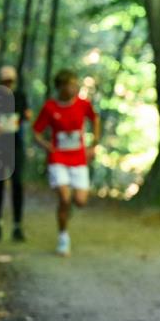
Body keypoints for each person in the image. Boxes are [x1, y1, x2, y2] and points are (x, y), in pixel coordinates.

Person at [32, 69, 100, 257]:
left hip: (78, 157)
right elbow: (36, 131)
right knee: (63, 197)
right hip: (58, 158)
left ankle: (67, 209)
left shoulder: (83, 104)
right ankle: (63, 237)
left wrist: (93, 145)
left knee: (79, 201)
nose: (74, 87)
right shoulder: (50, 108)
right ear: (61, 87)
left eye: (75, 84)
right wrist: (46, 146)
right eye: (70, 84)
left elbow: (95, 119)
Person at [0, 65, 32, 241]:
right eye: (5, 80)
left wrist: (24, 117)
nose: (8, 84)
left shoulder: (20, 96)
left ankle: (17, 226)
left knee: (17, 184)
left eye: (10, 80)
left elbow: (26, 115)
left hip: (16, 145)